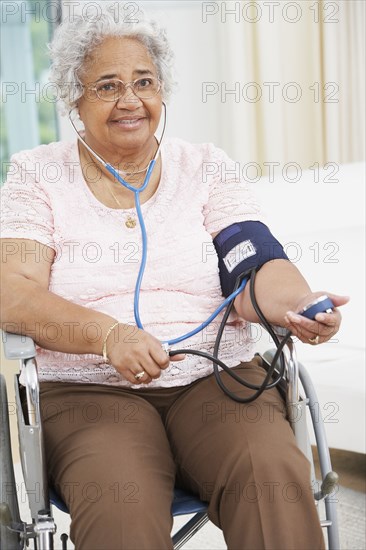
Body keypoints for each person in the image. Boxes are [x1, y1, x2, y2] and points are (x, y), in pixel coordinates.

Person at [0, 3, 348, 549]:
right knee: (121, 498)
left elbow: (253, 262)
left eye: (144, 82)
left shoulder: (204, 166)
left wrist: (296, 302)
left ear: (163, 90)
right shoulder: (38, 174)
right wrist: (107, 335)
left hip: (214, 380)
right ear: (74, 97)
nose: (130, 100)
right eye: (108, 85)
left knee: (271, 470)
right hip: (88, 391)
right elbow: (12, 292)